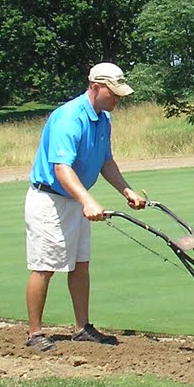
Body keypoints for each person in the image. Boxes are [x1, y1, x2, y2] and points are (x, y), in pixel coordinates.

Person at [23, 62, 148, 352]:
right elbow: (61, 169)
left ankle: (82, 327)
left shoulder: (103, 118)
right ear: (95, 87)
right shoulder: (69, 118)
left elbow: (106, 161)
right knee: (44, 266)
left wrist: (126, 190)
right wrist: (87, 200)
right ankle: (34, 333)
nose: (118, 99)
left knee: (80, 265)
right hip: (50, 200)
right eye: (113, 93)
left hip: (75, 199)